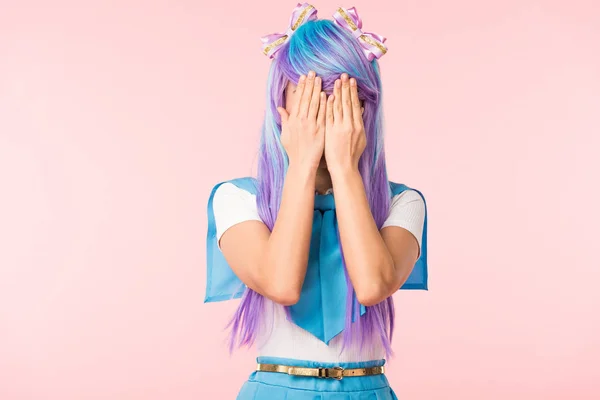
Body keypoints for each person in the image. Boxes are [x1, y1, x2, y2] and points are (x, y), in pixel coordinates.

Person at [204, 3, 429, 399]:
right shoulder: (237, 199)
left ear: (365, 112)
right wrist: (303, 162)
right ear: (281, 109)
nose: (324, 121)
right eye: (310, 103)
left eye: (340, 103)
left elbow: (373, 285)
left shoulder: (403, 203)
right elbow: (281, 284)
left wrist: (344, 168)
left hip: (366, 389)